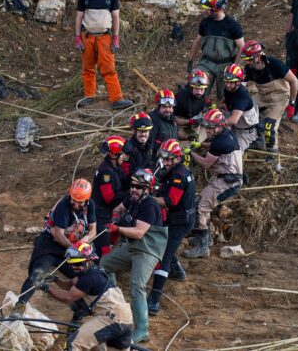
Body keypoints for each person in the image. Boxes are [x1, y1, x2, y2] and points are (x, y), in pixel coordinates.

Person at [100, 169, 167, 343]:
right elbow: (119, 207)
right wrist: (115, 216)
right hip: (133, 247)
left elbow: (138, 232)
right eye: (132, 186)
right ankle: (116, 304)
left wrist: (117, 229)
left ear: (148, 189)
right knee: (104, 264)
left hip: (148, 250)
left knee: (137, 286)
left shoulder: (150, 205)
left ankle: (142, 329)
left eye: (139, 187)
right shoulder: (133, 199)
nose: (134, 189)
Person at [14, 179, 97, 315]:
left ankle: (79, 313)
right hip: (50, 245)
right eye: (74, 200)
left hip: (71, 248)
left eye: (80, 202)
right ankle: (20, 305)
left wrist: (84, 242)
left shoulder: (91, 205)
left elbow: (93, 230)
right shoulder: (63, 206)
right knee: (37, 274)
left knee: (82, 277)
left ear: (87, 200)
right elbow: (58, 234)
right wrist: (74, 249)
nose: (76, 204)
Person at [35, 242, 133, 350]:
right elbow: (70, 285)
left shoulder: (89, 278)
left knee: (73, 343)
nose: (74, 267)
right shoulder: (92, 272)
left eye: (77, 264)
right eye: (72, 264)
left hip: (111, 318)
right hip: (125, 318)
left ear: (89, 260)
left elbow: (67, 298)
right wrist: (55, 280)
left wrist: (46, 288)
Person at [183, 109, 243, 259]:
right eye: (206, 127)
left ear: (219, 125)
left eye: (211, 127)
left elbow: (205, 163)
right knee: (201, 204)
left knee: (201, 207)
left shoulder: (220, 141)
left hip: (227, 182)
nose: (207, 130)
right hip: (226, 178)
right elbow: (213, 146)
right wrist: (201, 145)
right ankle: (206, 238)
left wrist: (190, 153)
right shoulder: (226, 134)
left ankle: (202, 247)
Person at [147, 139, 196, 315]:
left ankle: (154, 299)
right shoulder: (174, 171)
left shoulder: (178, 175)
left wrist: (148, 199)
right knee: (167, 246)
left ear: (177, 158)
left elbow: (170, 201)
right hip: (177, 218)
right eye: (164, 159)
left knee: (164, 257)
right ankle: (177, 272)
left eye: (168, 159)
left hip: (181, 220)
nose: (165, 162)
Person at [75, 0, 133, 110]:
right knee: (88, 68)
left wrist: (116, 37)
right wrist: (77, 37)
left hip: (105, 37)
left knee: (108, 68)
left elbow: (116, 18)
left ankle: (116, 99)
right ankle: (89, 96)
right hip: (87, 36)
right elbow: (79, 17)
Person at [241, 40, 298, 159]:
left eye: (248, 59)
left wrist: (291, 104)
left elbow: (294, 81)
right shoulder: (249, 68)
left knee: (269, 127)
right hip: (263, 96)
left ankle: (272, 155)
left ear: (257, 56)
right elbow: (241, 85)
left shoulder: (274, 64)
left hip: (280, 98)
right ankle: (257, 142)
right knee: (244, 110)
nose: (247, 62)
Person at [188, 0, 245, 102]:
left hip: (225, 64)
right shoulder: (205, 23)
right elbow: (197, 42)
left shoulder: (232, 25)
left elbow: (242, 47)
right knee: (197, 87)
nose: (205, 11)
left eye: (208, 8)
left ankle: (221, 115)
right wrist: (191, 60)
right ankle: (198, 110)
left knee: (226, 96)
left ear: (216, 9)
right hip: (206, 63)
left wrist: (234, 67)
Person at [92, 136, 128, 258]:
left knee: (113, 238)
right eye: (121, 154)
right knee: (103, 247)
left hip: (107, 213)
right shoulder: (106, 172)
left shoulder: (115, 168)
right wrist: (129, 194)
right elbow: (109, 197)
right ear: (113, 155)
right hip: (101, 214)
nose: (124, 157)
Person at [221, 63, 261, 152]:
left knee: (233, 152)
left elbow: (233, 120)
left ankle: (254, 142)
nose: (227, 85)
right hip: (234, 126)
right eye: (226, 81)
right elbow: (224, 101)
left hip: (246, 132)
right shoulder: (229, 89)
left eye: (231, 82)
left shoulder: (242, 96)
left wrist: (215, 124)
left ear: (238, 82)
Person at [175, 69, 210, 140]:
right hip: (179, 126)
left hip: (194, 122)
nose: (199, 92)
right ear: (191, 87)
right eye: (196, 89)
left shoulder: (202, 96)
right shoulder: (181, 98)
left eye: (202, 89)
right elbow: (172, 119)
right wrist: (191, 122)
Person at [121, 112, 154, 187]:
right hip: (133, 187)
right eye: (140, 131)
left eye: (146, 131)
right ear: (133, 131)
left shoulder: (150, 144)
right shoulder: (128, 150)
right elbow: (126, 175)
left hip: (146, 182)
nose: (143, 134)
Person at [148, 89, 178, 166]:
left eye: (170, 107)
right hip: (158, 160)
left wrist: (187, 137)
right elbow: (148, 146)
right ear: (158, 107)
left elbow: (175, 133)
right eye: (164, 107)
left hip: (169, 157)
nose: (168, 110)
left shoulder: (171, 118)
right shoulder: (153, 120)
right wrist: (152, 163)